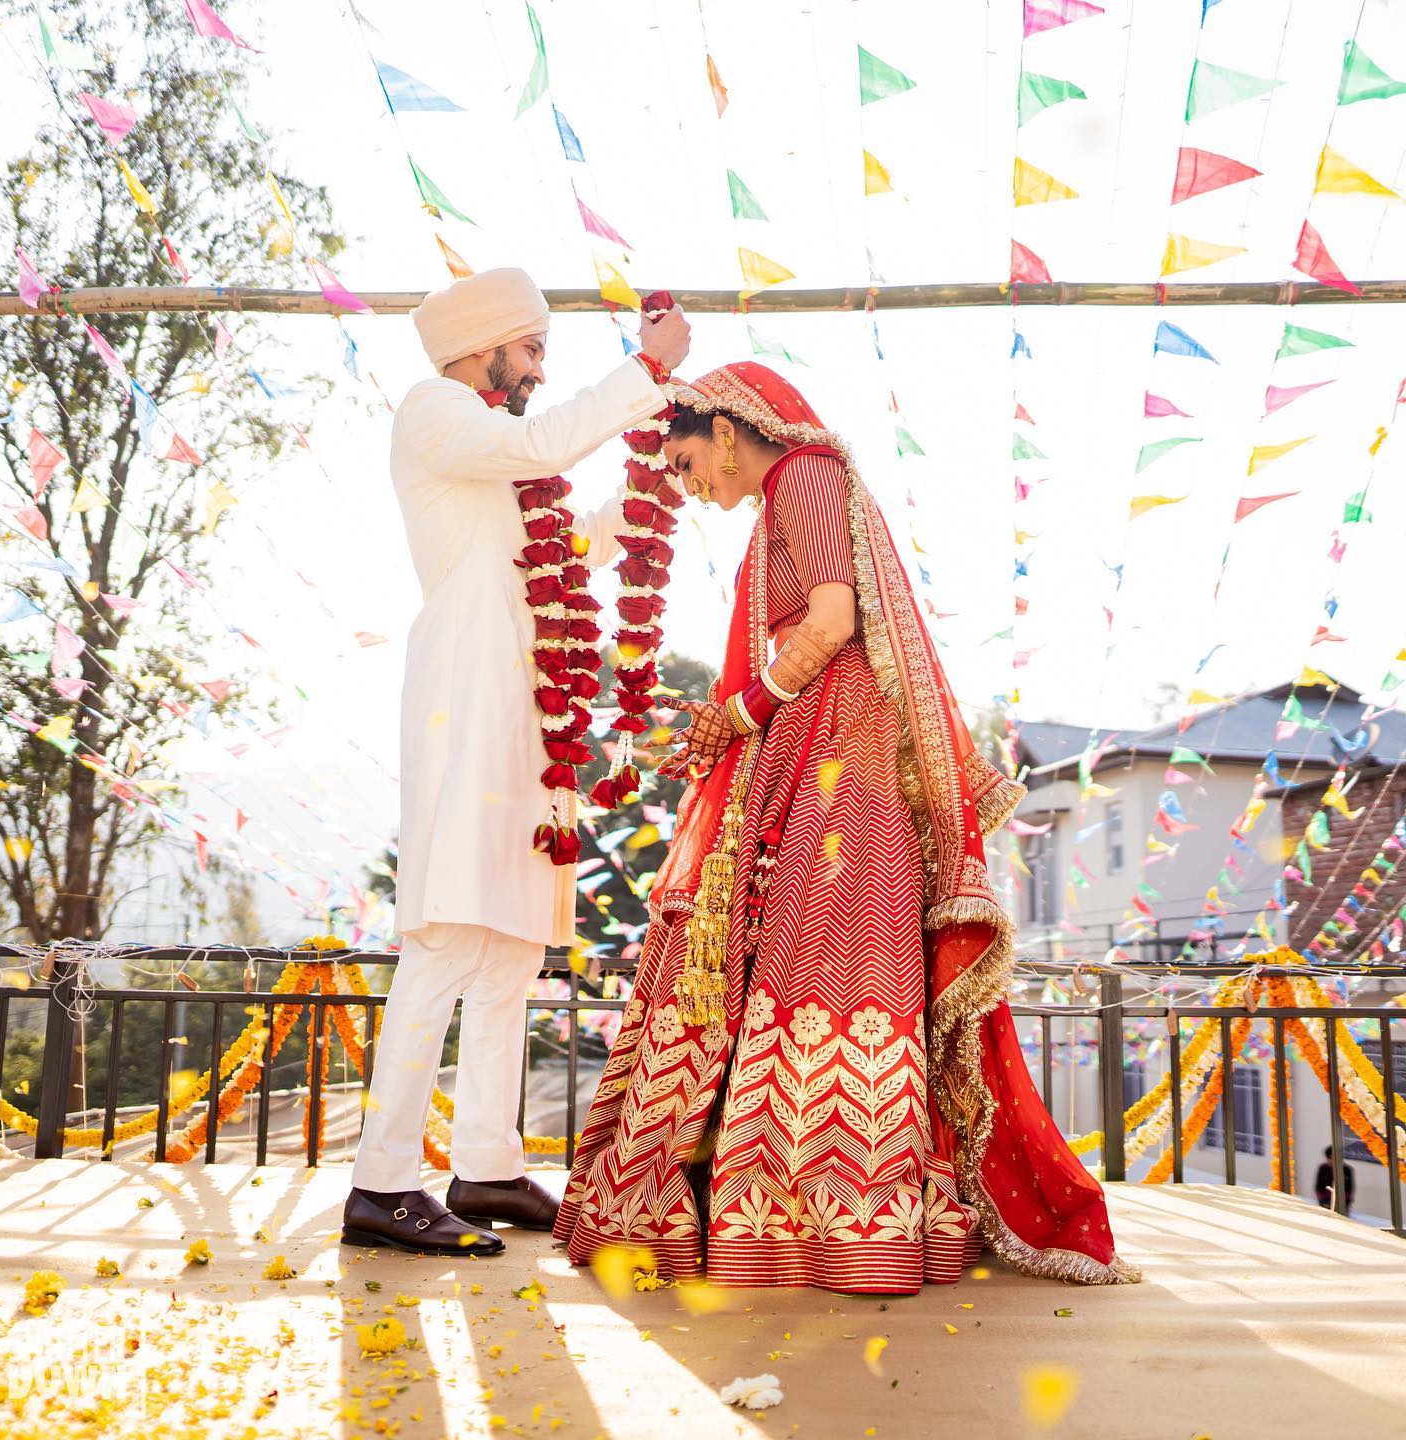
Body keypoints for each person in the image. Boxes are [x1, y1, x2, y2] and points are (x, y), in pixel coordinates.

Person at [554, 362, 1139, 1293]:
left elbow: (830, 619)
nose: (692, 485)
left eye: (689, 459)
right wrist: (737, 722)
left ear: (733, 428)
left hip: (837, 757)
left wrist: (741, 711)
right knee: (778, 955)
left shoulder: (807, 476)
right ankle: (773, 1211)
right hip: (808, 746)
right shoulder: (787, 492)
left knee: (821, 958)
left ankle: (820, 1216)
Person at [341, 268, 690, 1257]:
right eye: (531, 350)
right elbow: (541, 440)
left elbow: (562, 548)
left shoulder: (502, 467)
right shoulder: (435, 408)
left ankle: (486, 1168)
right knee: (451, 936)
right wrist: (645, 369)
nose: (539, 369)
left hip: (524, 706)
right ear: (485, 346)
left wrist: (649, 492)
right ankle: (381, 1184)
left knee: (507, 952)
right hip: (466, 689)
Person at [1314, 1145, 1355, 1214]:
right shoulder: (1323, 1169)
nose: (1331, 1161)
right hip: (1325, 1203)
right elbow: (1318, 1188)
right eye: (1329, 1158)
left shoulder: (1347, 1170)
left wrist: (1343, 1203)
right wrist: (1324, 1202)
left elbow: (1349, 1190)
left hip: (1342, 1205)